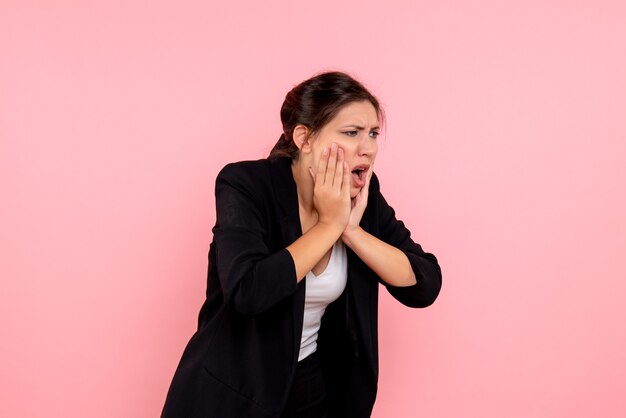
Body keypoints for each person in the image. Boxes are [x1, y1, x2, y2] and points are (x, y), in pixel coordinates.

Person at [161, 71, 442, 418]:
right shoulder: (246, 185)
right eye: (351, 133)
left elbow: (424, 282)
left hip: (309, 388)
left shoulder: (362, 194)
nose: (367, 148)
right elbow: (249, 291)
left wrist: (351, 232)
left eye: (372, 134)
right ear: (304, 138)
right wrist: (329, 225)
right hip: (232, 393)